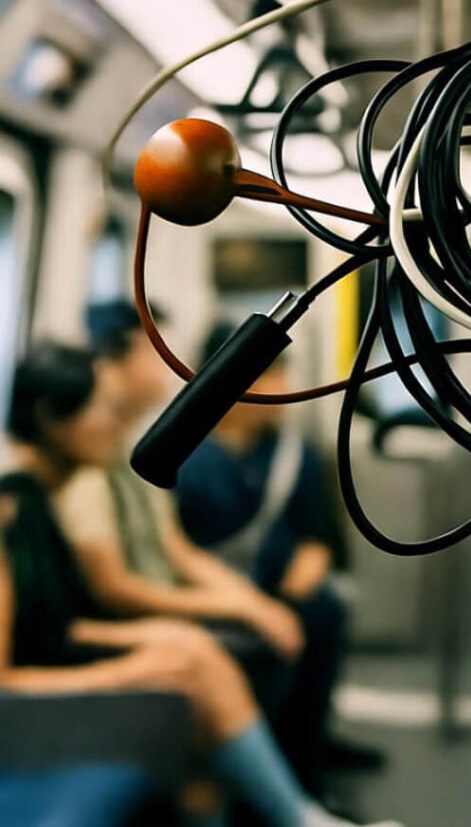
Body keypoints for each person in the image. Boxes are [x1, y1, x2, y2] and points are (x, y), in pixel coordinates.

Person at [0, 341, 399, 827]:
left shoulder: (40, 497)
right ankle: (298, 817)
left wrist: (170, 642)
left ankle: (291, 810)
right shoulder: (9, 512)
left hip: (58, 652)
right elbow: (7, 675)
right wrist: (139, 667)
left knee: (193, 676)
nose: (113, 422)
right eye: (98, 409)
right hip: (19, 705)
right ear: (49, 416)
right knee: (188, 671)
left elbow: (53, 625)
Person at [175, 321, 378, 794]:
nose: (284, 387)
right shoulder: (186, 457)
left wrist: (293, 593)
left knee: (321, 612)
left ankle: (309, 756)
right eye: (271, 374)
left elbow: (315, 538)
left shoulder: (292, 455)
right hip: (213, 595)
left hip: (282, 589)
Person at [55, 301, 304, 683]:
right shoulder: (88, 461)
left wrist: (249, 602)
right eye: (155, 355)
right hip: (135, 618)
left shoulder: (133, 449)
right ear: (113, 361)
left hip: (169, 597)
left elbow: (176, 550)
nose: (168, 370)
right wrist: (235, 607)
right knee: (257, 645)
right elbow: (114, 588)